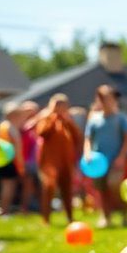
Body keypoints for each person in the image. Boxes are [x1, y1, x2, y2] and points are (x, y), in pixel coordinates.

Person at [84, 85, 127, 228]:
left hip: (116, 160)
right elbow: (88, 139)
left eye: (110, 98)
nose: (107, 101)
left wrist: (122, 157)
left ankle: (124, 214)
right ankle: (105, 217)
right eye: (103, 98)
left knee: (114, 185)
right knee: (102, 189)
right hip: (98, 161)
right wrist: (87, 153)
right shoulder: (94, 119)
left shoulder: (120, 118)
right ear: (99, 100)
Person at [35, 94, 82, 225]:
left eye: (64, 106)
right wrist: (54, 118)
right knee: (48, 189)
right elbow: (42, 133)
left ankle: (70, 217)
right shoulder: (46, 117)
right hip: (50, 161)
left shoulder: (67, 120)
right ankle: (46, 218)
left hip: (66, 160)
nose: (61, 108)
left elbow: (77, 136)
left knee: (67, 189)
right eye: (58, 105)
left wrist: (67, 121)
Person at [0, 101, 26, 218]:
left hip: (0, 160)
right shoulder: (11, 127)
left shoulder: (1, 125)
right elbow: (17, 146)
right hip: (9, 161)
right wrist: (21, 165)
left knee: (4, 185)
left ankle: (3, 209)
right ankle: (5, 211)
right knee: (9, 186)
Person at [18, 101, 41, 213]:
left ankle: (42, 207)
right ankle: (24, 208)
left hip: (39, 159)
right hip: (27, 160)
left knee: (40, 185)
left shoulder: (40, 123)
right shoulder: (22, 124)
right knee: (28, 184)